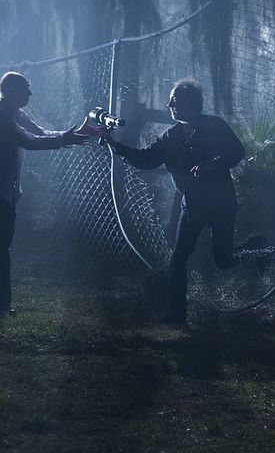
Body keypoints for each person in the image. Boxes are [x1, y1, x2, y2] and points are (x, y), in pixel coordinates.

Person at [102, 78, 245, 325]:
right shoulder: (170, 137)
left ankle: (257, 249)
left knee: (223, 260)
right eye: (170, 101)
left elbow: (237, 152)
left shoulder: (215, 126)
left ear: (191, 103)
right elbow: (146, 160)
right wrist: (116, 147)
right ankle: (177, 314)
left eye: (175, 101)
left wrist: (212, 164)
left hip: (220, 203)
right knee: (178, 259)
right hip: (192, 206)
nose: (170, 105)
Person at [0, 71, 90, 315]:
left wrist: (70, 135)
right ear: (12, 91)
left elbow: (39, 133)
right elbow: (29, 141)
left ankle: (1, 304)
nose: (30, 93)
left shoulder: (15, 114)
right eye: (26, 89)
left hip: (1, 193)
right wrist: (66, 138)